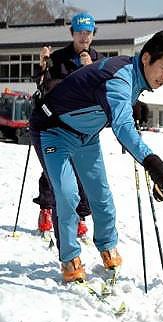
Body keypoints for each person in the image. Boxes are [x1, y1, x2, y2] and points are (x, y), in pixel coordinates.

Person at [29, 30, 163, 282]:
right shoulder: (120, 76)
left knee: (100, 194)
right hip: (53, 130)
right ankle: (70, 257)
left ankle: (107, 245)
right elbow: (122, 126)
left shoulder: (135, 77)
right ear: (146, 58)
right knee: (68, 194)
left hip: (87, 136)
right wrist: (151, 161)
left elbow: (114, 109)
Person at [33, 12, 103, 239]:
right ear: (72, 33)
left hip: (84, 127)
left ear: (93, 34)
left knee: (82, 174)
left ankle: (80, 216)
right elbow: (43, 85)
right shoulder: (59, 57)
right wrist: (43, 63)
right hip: (55, 124)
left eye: (88, 33)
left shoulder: (98, 60)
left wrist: (91, 69)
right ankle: (46, 208)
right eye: (80, 32)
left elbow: (103, 91)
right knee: (55, 172)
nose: (84, 37)